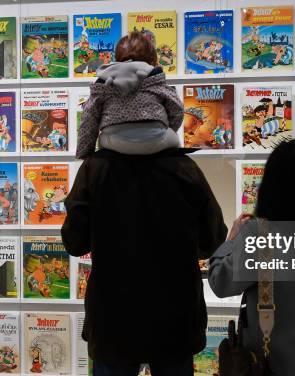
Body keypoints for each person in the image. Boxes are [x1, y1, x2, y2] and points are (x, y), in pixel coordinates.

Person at [63, 150, 227, 373]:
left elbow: (75, 242)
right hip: (175, 317)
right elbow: (212, 239)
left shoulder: (94, 169)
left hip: (112, 318)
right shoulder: (184, 167)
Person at [208, 140, 295, 375]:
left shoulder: (261, 235)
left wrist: (230, 241)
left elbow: (220, 282)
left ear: (270, 185)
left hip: (271, 366)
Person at [76, 31, 183, 159]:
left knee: (104, 138)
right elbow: (177, 109)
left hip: (114, 144)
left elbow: (89, 119)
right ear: (152, 59)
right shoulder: (154, 77)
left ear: (118, 58)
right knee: (174, 139)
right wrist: (165, 128)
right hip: (156, 142)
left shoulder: (104, 82)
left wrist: (85, 153)